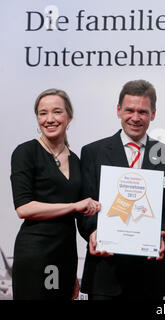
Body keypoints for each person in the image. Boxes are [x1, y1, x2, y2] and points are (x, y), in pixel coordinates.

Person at [77, 80, 165, 300]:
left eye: (143, 112)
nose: (135, 117)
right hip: (105, 271)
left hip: (151, 273)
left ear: (153, 114)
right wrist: (93, 232)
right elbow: (84, 205)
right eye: (129, 110)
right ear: (118, 110)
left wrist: (162, 235)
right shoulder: (93, 152)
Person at [10, 88, 101, 300]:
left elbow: (86, 211)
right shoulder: (25, 152)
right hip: (35, 254)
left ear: (69, 117)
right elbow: (24, 208)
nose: (49, 119)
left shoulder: (77, 161)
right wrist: (74, 206)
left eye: (57, 112)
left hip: (66, 256)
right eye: (43, 113)